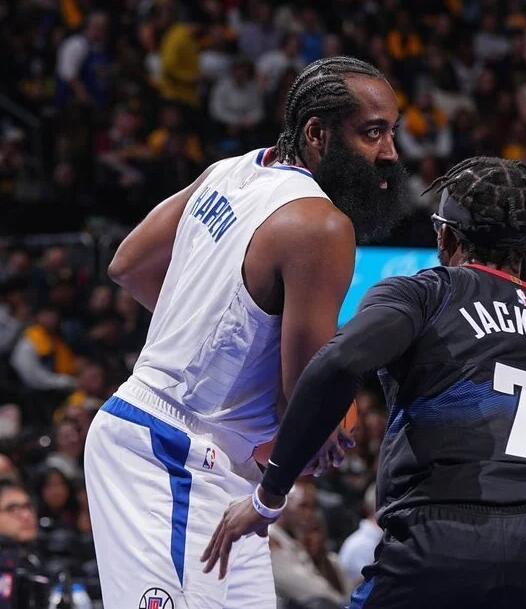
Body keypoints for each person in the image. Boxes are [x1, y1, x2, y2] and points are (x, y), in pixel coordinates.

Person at [204, 157, 526, 609]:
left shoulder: (424, 294)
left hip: (438, 543)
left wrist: (269, 496)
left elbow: (335, 365)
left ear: (444, 236)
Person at [84, 56, 405, 609]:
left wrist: (211, 334)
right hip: (171, 452)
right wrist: (328, 422)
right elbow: (306, 389)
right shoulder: (322, 225)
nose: (391, 152)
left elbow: (129, 265)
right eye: (372, 132)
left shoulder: (232, 170)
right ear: (317, 134)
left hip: (217, 466)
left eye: (392, 132)